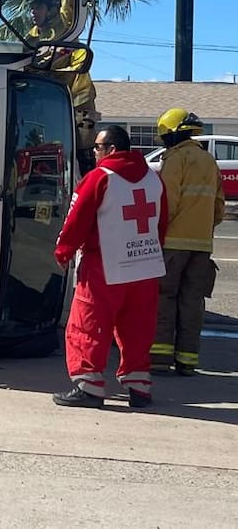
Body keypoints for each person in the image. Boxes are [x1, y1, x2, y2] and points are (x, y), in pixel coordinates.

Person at [52, 125, 167, 408]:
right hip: (145, 265)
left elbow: (76, 219)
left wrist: (63, 251)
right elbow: (161, 222)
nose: (94, 152)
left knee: (88, 324)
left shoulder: (99, 178)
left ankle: (89, 386)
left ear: (111, 149)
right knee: (138, 328)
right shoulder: (154, 180)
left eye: (98, 147)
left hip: (104, 264)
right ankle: (139, 386)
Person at [151, 108, 225, 376]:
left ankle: (160, 358)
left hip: (173, 244)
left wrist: (156, 232)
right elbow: (219, 207)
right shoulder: (209, 161)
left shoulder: (176, 159)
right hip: (202, 246)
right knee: (193, 302)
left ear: (172, 134)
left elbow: (167, 204)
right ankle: (187, 360)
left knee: (164, 298)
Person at [24, 0, 100, 179]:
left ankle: (89, 183)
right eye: (31, 8)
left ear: (51, 9)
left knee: (84, 144)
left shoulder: (65, 23)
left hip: (76, 98)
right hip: (46, 101)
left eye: (38, 7)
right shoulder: (30, 38)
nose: (33, 12)